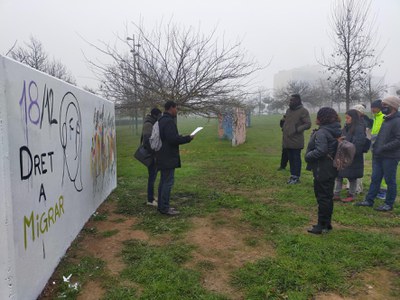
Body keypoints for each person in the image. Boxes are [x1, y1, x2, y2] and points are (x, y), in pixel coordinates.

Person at [355, 96, 400, 211]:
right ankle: (369, 200)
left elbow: (398, 140)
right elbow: (380, 136)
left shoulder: (397, 121)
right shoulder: (386, 119)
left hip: (390, 157)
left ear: (393, 107)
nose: (382, 107)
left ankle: (388, 204)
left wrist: (383, 148)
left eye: (385, 105)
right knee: (375, 179)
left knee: (390, 181)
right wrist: (376, 147)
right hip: (378, 155)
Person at [305, 107, 342, 234]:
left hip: (323, 168)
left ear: (322, 118)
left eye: (318, 116)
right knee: (327, 196)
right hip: (331, 168)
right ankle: (327, 224)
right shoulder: (335, 129)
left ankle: (321, 225)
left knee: (322, 197)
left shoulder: (322, 132)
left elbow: (321, 150)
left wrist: (308, 156)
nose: (316, 118)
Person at [156, 101, 194, 215]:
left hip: (162, 155)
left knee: (163, 182)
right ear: (171, 108)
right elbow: (173, 140)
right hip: (168, 157)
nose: (177, 110)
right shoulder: (168, 122)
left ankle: (161, 206)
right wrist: (188, 138)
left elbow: (169, 137)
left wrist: (178, 136)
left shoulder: (161, 120)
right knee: (167, 182)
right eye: (176, 108)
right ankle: (165, 208)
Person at [333, 109, 366, 202]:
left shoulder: (359, 128)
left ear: (353, 118)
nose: (346, 120)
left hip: (353, 156)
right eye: (345, 118)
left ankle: (352, 195)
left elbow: (358, 144)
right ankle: (336, 194)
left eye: (348, 118)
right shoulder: (346, 127)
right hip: (344, 155)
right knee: (338, 175)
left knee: (352, 177)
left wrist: (343, 142)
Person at [282, 94, 311, 184]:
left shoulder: (303, 111)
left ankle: (296, 177)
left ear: (298, 101)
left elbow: (308, 124)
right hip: (287, 139)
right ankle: (292, 175)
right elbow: (286, 121)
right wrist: (283, 125)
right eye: (290, 100)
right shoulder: (288, 111)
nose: (290, 102)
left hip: (296, 140)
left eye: (292, 100)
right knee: (290, 158)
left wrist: (297, 129)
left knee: (296, 159)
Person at [140, 108, 162, 206]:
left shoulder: (151, 123)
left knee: (153, 176)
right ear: (154, 115)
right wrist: (154, 152)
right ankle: (150, 200)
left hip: (153, 154)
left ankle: (151, 196)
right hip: (151, 155)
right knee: (152, 177)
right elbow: (147, 141)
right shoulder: (148, 124)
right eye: (159, 115)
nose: (159, 117)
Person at [370, 99, 387, 200]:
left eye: (373, 107)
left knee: (384, 170)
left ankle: (384, 191)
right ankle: (377, 190)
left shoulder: (383, 117)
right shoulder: (375, 117)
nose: (372, 109)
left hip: (382, 148)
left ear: (379, 108)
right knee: (376, 170)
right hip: (375, 148)